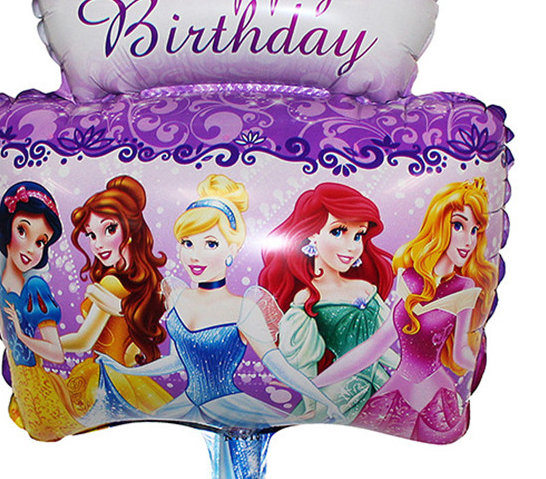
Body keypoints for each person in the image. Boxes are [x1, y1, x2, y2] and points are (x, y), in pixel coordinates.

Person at [95, 174, 343, 428]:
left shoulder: (245, 309)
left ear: (232, 250)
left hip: (229, 408)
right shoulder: (177, 296)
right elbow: (177, 360)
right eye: (188, 243)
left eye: (211, 244)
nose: (195, 256)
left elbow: (277, 364)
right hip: (186, 405)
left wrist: (323, 400)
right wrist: (126, 370)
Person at [314, 177, 498, 443]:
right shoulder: (409, 279)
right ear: (439, 223)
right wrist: (315, 383)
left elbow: (460, 353)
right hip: (397, 391)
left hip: (434, 396)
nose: (468, 240)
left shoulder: (464, 288)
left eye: (475, 230)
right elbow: (375, 346)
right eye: (458, 225)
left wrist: (486, 363)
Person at [257, 183, 397, 420]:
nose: (352, 246)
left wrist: (411, 371)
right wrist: (311, 405)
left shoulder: (365, 288)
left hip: (379, 382)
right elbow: (305, 361)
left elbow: (381, 347)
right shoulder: (307, 297)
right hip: (337, 392)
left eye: (358, 235)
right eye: (338, 231)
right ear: (313, 233)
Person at [61, 176, 172, 416]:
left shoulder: (111, 284)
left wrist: (41, 345)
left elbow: (83, 341)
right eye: (91, 235)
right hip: (129, 376)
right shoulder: (146, 282)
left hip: (106, 378)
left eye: (109, 229)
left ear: (130, 229)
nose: (98, 244)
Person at [0, 182, 82, 441]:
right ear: (6, 227)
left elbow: (56, 352)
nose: (32, 248)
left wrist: (22, 335)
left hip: (36, 385)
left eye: (41, 241)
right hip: (23, 386)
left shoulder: (35, 289)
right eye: (23, 231)